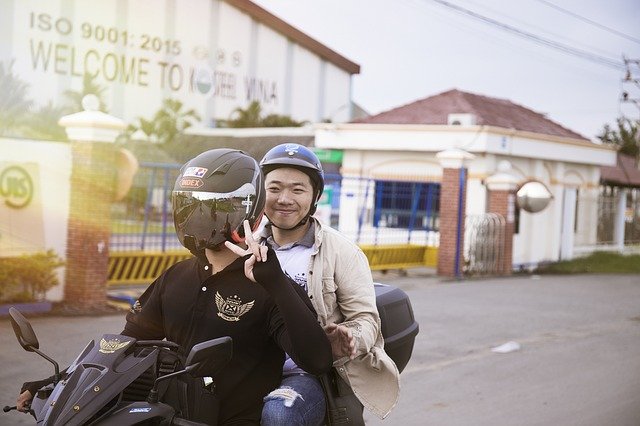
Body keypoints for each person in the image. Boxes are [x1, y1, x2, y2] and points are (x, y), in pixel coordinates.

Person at [17, 148, 333, 425]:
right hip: (167, 414)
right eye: (189, 206)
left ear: (249, 212)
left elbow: (317, 360)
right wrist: (54, 383)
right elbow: (123, 347)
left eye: (213, 208)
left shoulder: (270, 284)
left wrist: (276, 283)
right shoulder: (176, 276)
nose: (197, 218)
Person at [256, 143, 400, 425]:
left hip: (305, 374)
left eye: (297, 190)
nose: (284, 198)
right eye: (274, 189)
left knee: (280, 414)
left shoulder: (342, 252)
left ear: (315, 196)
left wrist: (349, 338)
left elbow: (367, 320)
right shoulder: (247, 246)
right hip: (249, 367)